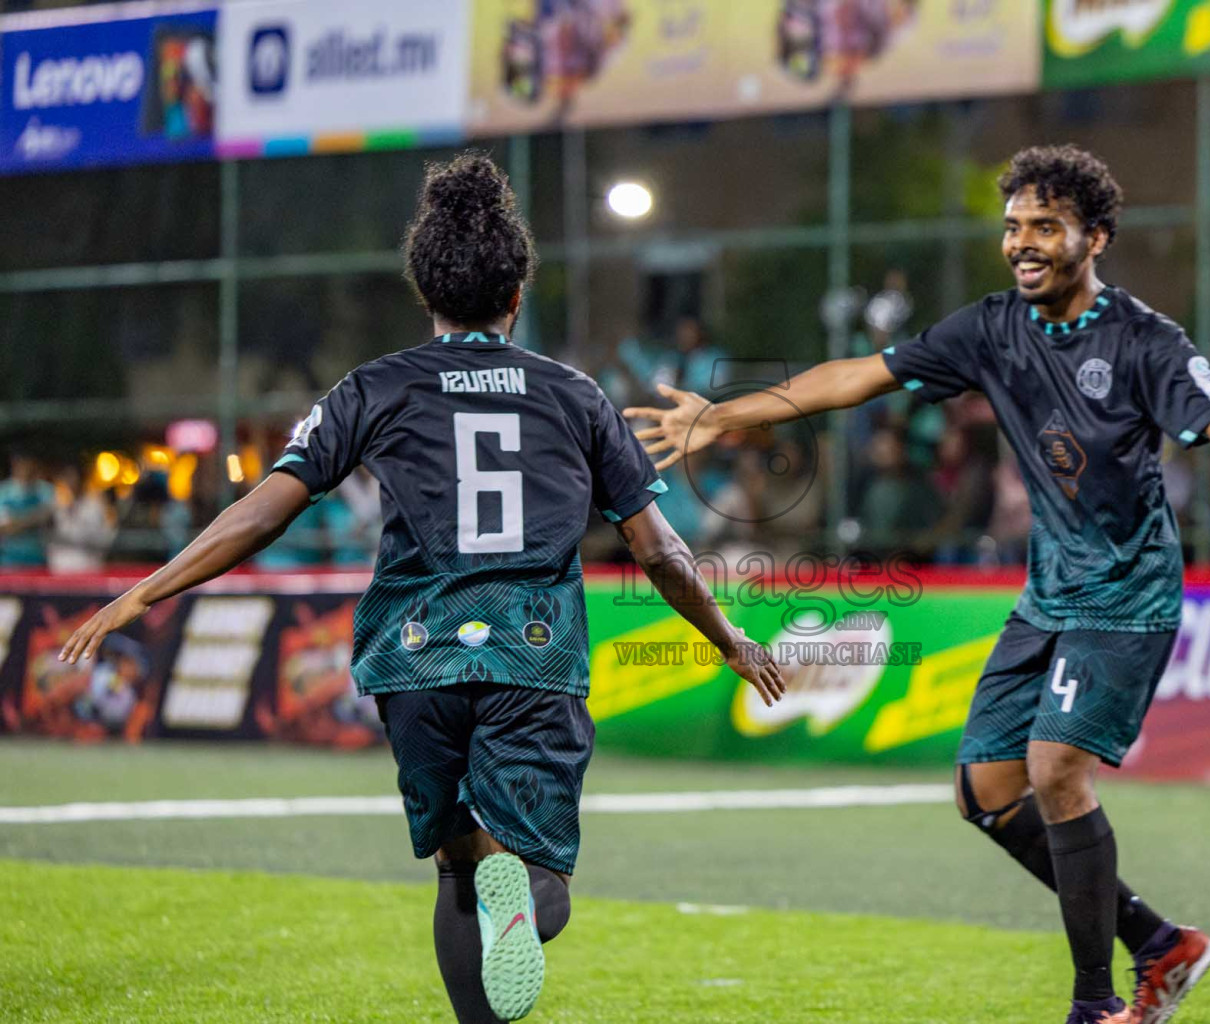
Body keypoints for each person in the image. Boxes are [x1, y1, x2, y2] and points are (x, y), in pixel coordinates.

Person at [627, 144, 1210, 1024]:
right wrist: (726, 413)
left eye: (1045, 227)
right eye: (1014, 226)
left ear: (1094, 238)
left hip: (1126, 593)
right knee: (985, 794)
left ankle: (1094, 1005)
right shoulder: (990, 327)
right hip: (1049, 593)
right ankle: (1162, 946)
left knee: (1054, 767)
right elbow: (861, 377)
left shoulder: (1145, 341)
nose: (1022, 242)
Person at [59, 153, 784, 1024]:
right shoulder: (576, 396)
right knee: (533, 874)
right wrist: (729, 640)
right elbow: (660, 550)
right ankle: (523, 899)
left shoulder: (373, 388)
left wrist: (147, 590)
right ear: (515, 294)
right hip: (532, 652)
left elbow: (261, 514)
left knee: (456, 862)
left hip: (415, 655)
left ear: (427, 294)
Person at [0, 450, 56, 569]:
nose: (25, 467)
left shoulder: (47, 491)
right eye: (20, 462)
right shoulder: (3, 492)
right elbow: (5, 528)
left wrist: (17, 523)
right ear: (14, 464)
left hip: (39, 559)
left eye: (28, 462)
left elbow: (49, 518)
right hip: (9, 560)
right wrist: (33, 518)